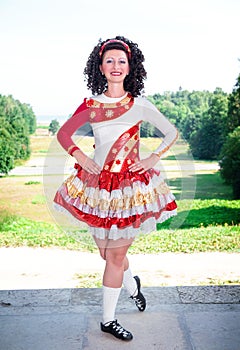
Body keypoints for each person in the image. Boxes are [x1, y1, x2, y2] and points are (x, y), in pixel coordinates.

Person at [54, 35, 178, 341]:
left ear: (130, 66)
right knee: (106, 253)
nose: (116, 66)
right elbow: (64, 134)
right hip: (98, 188)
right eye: (109, 60)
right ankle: (133, 285)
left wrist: (152, 158)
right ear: (100, 66)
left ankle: (108, 321)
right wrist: (80, 155)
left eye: (121, 61)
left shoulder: (139, 104)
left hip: (129, 190)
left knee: (113, 257)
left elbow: (171, 132)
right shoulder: (91, 104)